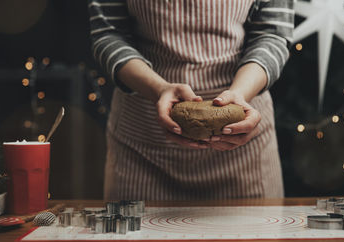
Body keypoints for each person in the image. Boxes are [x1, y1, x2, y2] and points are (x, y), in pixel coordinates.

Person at [88, 0, 294, 200]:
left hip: (243, 143)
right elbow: (109, 32)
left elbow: (272, 35)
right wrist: (158, 89)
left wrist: (240, 93)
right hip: (144, 145)